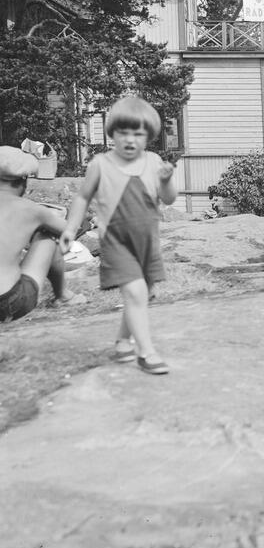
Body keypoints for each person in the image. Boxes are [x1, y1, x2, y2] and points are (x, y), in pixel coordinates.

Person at [60, 96, 176, 374]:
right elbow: (82, 198)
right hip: (116, 242)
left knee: (143, 293)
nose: (130, 139)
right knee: (135, 292)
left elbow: (169, 199)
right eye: (123, 132)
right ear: (112, 133)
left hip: (147, 242)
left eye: (138, 133)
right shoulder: (100, 164)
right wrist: (69, 229)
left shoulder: (153, 161)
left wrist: (166, 179)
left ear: (149, 136)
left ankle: (123, 341)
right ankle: (145, 353)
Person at [0, 147, 85, 323]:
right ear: (22, 181)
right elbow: (68, 231)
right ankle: (63, 295)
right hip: (9, 302)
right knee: (47, 236)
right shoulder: (32, 210)